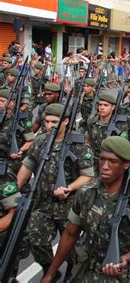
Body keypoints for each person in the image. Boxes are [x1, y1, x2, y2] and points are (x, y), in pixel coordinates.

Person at [41, 136, 130, 282]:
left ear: (126, 164)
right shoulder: (86, 193)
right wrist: (50, 273)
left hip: (120, 275)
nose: (104, 166)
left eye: (112, 161)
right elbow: (70, 234)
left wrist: (125, 258)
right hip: (86, 271)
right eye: (102, 159)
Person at [16, 103, 95, 279]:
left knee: (72, 250)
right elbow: (26, 167)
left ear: (66, 122)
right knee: (35, 239)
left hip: (70, 205)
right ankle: (50, 271)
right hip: (43, 202)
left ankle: (71, 273)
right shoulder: (41, 140)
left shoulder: (78, 143)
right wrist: (14, 192)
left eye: (54, 122)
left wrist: (69, 187)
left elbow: (88, 175)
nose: (49, 126)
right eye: (47, 122)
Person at [86, 92, 128, 172]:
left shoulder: (120, 124)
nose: (102, 108)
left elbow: (124, 144)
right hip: (95, 159)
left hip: (112, 160)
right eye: (100, 105)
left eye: (106, 105)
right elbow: (89, 139)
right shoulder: (92, 121)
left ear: (113, 107)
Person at [0, 89, 35, 176]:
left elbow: (30, 140)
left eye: (2, 101)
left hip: (12, 161)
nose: (0, 103)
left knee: (9, 186)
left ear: (12, 103)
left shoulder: (21, 117)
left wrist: (20, 151)